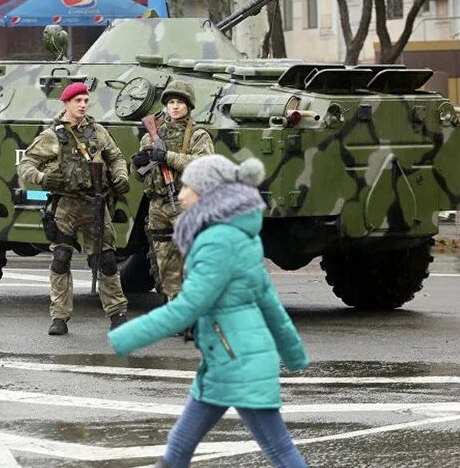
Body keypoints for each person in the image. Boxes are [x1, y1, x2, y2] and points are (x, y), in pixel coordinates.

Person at [108, 155, 310, 467]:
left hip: (236, 362)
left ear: (208, 194)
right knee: (178, 448)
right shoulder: (238, 238)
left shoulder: (216, 242)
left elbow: (189, 306)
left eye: (187, 186)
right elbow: (270, 305)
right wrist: (294, 354)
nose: (179, 193)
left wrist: (127, 336)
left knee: (280, 451)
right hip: (228, 359)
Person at [18, 82, 131, 335]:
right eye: (77, 100)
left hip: (95, 203)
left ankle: (117, 313)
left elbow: (116, 158)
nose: (82, 105)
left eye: (85, 100)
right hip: (66, 205)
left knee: (107, 261)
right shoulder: (52, 136)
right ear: (66, 103)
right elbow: (26, 164)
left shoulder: (98, 132)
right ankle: (59, 316)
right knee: (61, 258)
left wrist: (121, 176)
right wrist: (43, 179)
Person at [132, 80, 214, 300]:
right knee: (164, 263)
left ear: (188, 106)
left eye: (179, 102)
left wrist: (167, 157)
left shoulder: (198, 135)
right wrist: (139, 163)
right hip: (158, 205)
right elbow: (139, 175)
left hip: (185, 203)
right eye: (171, 102)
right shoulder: (151, 135)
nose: (175, 107)